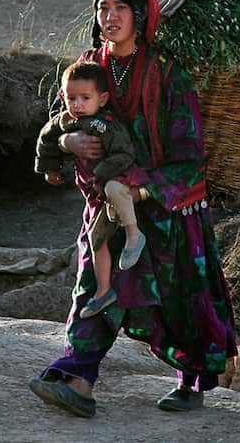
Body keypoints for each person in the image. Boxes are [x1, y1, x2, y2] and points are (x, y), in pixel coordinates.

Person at [28, 0, 238, 419]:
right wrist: (66, 143)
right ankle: (79, 379)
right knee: (94, 287)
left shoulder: (168, 75)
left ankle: (190, 381)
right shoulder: (88, 69)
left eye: (121, 7)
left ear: (140, 15)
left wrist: (141, 190)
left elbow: (189, 153)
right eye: (104, 7)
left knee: (179, 298)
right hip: (105, 203)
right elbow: (62, 121)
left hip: (166, 208)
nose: (111, 16)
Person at [35, 61, 147, 318]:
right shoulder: (64, 122)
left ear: (103, 98)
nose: (77, 104)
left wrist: (100, 174)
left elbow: (124, 153)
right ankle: (103, 291)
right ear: (63, 96)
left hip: (116, 181)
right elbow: (46, 139)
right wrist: (51, 168)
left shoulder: (104, 125)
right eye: (72, 98)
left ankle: (133, 234)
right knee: (97, 240)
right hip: (93, 194)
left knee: (114, 188)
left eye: (85, 98)